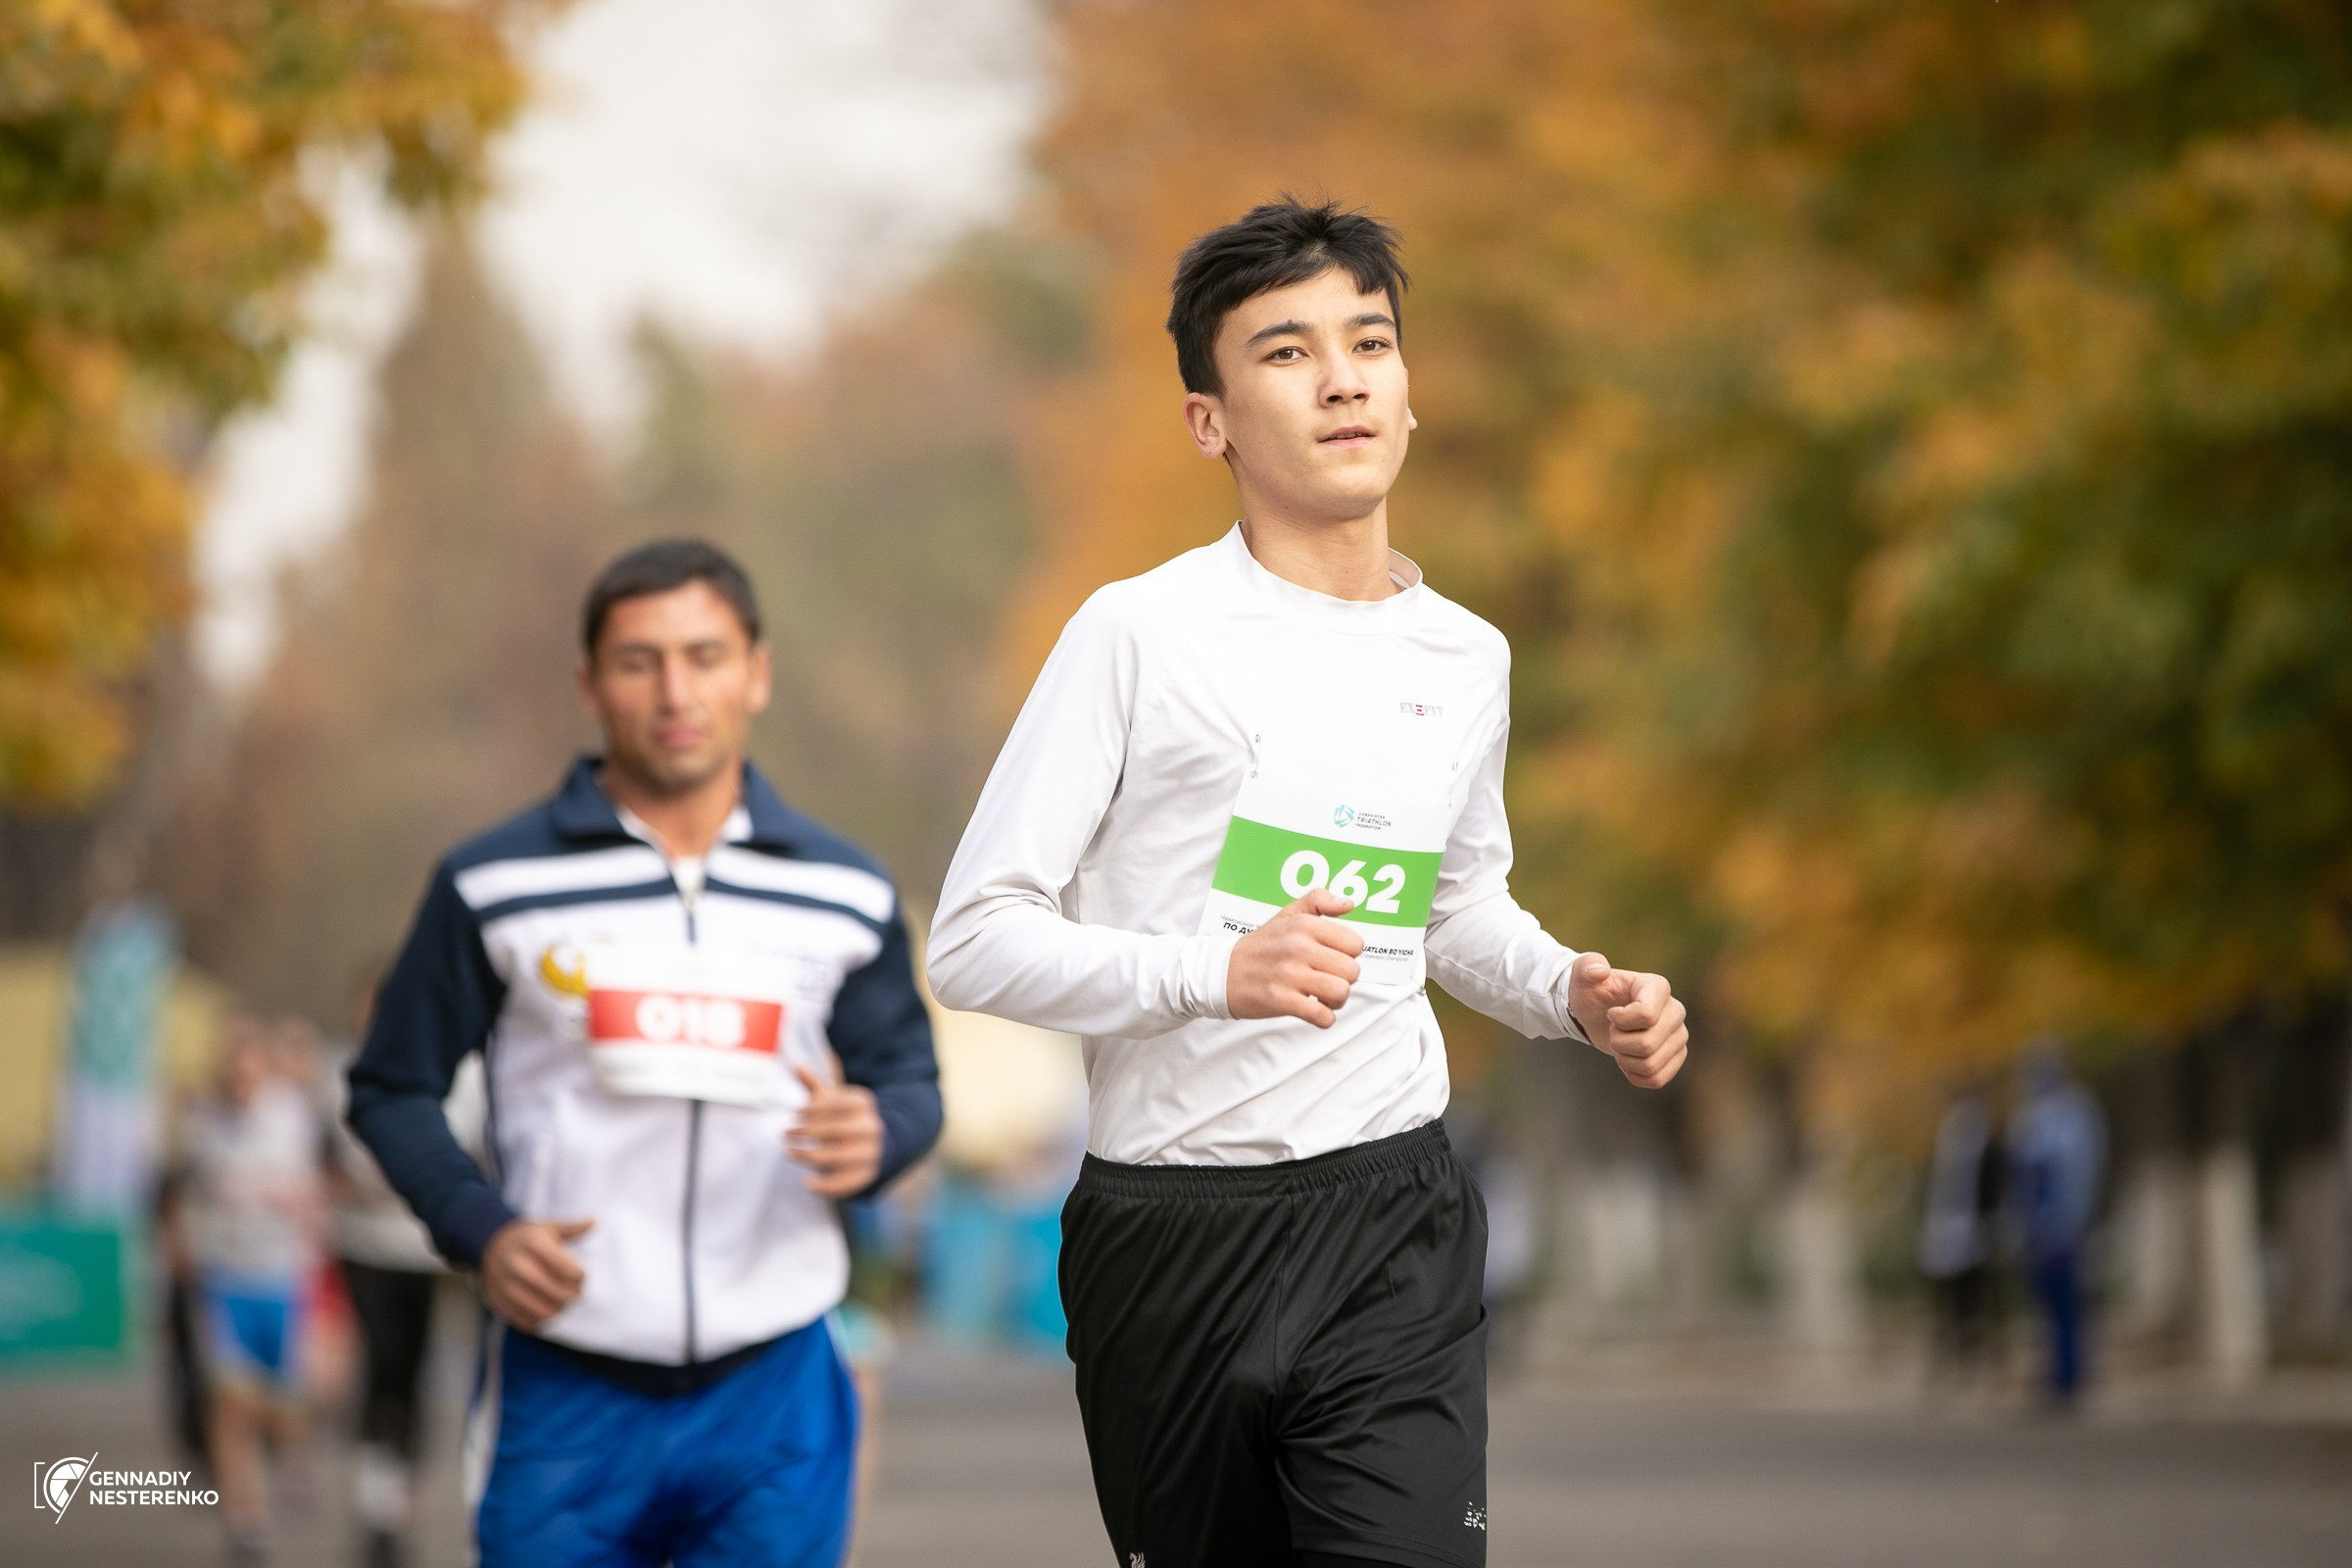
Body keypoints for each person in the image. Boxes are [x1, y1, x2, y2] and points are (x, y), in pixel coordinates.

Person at [927, 199, 1690, 1568]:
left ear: (1406, 392)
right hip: (1170, 1234)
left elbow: (1452, 911)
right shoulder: (1138, 635)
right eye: (1286, 352)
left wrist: (1572, 990)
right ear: (1209, 420)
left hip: (1389, 1215)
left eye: (1371, 342)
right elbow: (976, 941)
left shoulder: (1466, 659)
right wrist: (1212, 976)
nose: (1342, 377)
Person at [348, 539, 942, 1568]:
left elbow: (912, 1085)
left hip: (778, 1383)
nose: (676, 689)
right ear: (589, 684)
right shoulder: (494, 884)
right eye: (639, 660)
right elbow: (390, 1088)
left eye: (705, 655)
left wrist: (879, 1130)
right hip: (567, 1379)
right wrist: (480, 1228)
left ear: (757, 671)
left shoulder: (847, 891)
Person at [321, 975, 487, 1568]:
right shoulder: (335, 1069)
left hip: (425, 1246)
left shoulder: (461, 1073)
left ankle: (404, 1489)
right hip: (361, 1241)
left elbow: (470, 1152)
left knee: (415, 1368)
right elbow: (321, 1153)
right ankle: (378, 1503)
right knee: (380, 1362)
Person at [172, 1013, 329, 1561]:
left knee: (283, 1409)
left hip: (283, 1276)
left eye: (251, 1065)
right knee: (232, 1404)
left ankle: (290, 1459)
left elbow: (319, 1188)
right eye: (232, 1065)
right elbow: (179, 1191)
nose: (241, 1078)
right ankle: (246, 1519)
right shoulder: (201, 1122)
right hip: (225, 1279)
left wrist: (297, 1201)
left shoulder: (293, 1115)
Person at [2009, 1040, 2105, 1409]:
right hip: (2036, 1224)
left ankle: (2072, 1379)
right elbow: (2022, 1179)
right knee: (2044, 1306)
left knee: (2070, 1303)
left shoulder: (2078, 1112)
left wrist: (2073, 1222)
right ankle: (2051, 1376)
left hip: (2065, 1223)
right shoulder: (2030, 1117)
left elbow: (2082, 1174)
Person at [1917, 1086, 2005, 1385]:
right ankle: (1947, 1366)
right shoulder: (1945, 1145)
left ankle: (1983, 1368)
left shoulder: (1987, 1147)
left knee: (1979, 1305)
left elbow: (1994, 1193)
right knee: (1946, 1307)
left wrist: (1993, 1229)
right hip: (1945, 1233)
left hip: (1977, 1234)